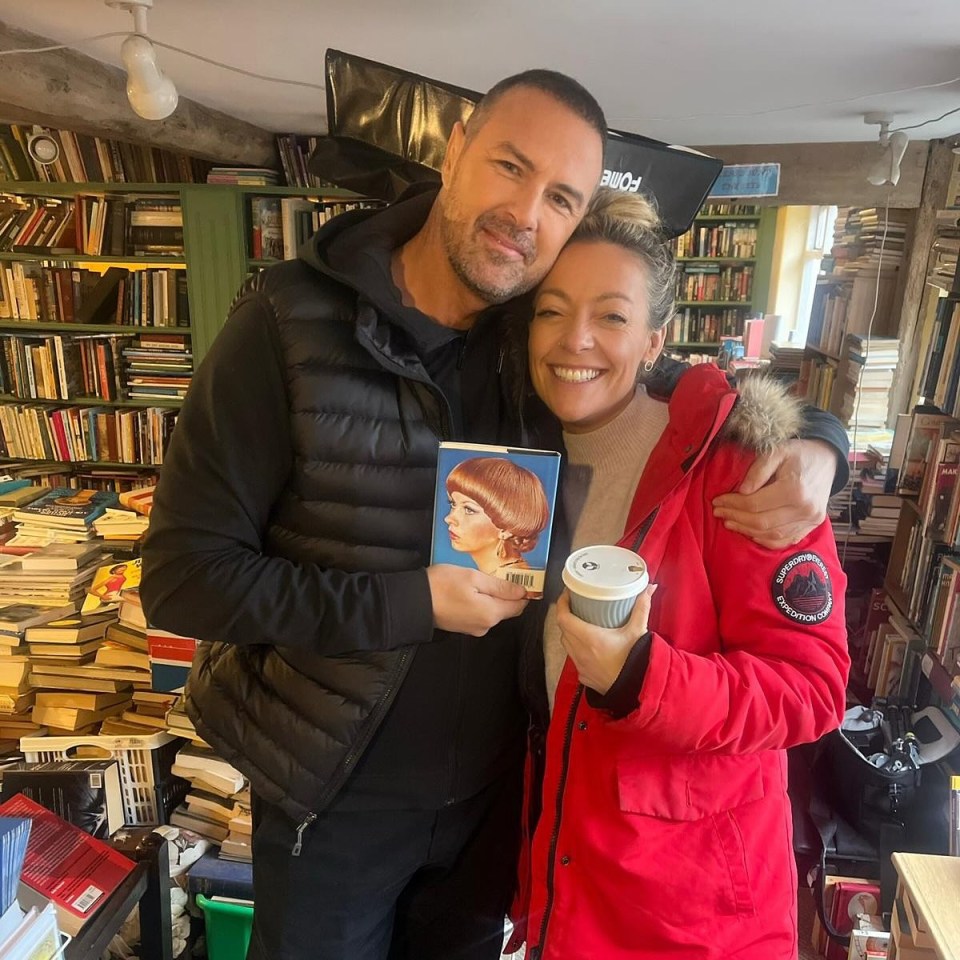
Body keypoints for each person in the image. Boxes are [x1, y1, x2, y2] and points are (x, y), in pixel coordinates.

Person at [139, 69, 847, 960]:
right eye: (510, 167)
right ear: (457, 145)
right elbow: (181, 581)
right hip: (338, 805)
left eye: (560, 197)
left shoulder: (532, 338)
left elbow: (661, 385)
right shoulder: (288, 322)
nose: (525, 214)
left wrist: (817, 440)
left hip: (499, 811)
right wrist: (411, 599)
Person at [508, 188, 851, 960]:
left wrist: (643, 679)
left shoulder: (736, 466)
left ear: (656, 338)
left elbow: (814, 689)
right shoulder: (512, 455)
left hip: (695, 919)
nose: (576, 340)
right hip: (566, 891)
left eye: (613, 316)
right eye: (551, 310)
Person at [444, 457, 549, 580]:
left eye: (469, 510)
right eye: (453, 504)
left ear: (506, 529)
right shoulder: (494, 575)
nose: (449, 518)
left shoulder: (512, 582)